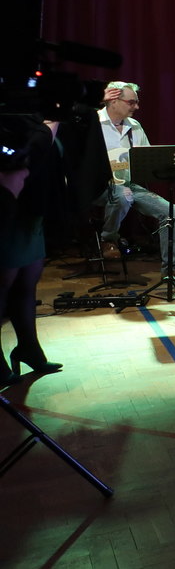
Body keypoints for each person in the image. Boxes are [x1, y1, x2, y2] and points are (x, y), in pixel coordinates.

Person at [95, 82, 175, 280]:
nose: (137, 107)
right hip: (99, 186)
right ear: (113, 101)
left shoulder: (135, 126)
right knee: (123, 196)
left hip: (129, 185)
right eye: (131, 102)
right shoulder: (94, 123)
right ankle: (108, 239)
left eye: (137, 102)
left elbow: (147, 159)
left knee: (172, 211)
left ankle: (171, 269)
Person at [0, 116, 63, 385]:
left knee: (28, 278)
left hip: (32, 204)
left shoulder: (34, 116)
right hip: (7, 203)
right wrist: (52, 123)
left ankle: (29, 348)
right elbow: (35, 147)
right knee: (3, 281)